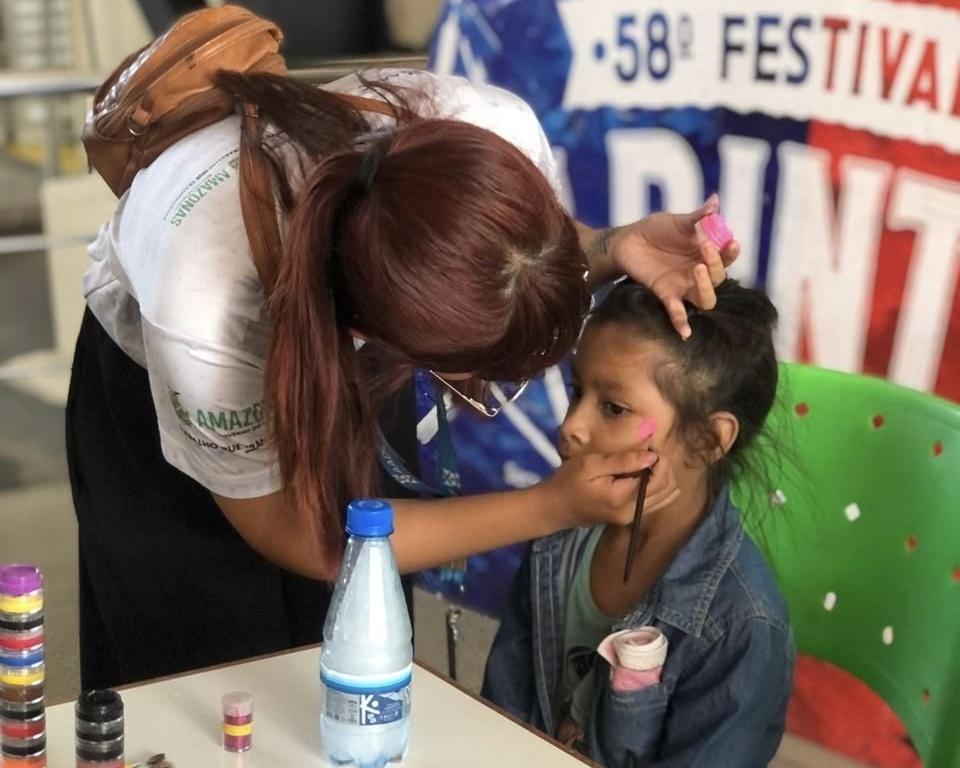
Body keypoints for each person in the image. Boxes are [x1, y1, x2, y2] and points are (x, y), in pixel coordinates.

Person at [67, 65, 738, 688]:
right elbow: (304, 534)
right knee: (207, 678)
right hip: (159, 383)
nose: (571, 429)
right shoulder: (204, 308)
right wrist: (550, 505)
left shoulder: (491, 126)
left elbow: (517, 263)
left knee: (358, 641)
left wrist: (609, 245)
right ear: (396, 345)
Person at [482, 279, 795, 767]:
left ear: (709, 440)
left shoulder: (741, 626)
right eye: (577, 392)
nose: (571, 426)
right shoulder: (561, 534)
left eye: (613, 408)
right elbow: (502, 713)